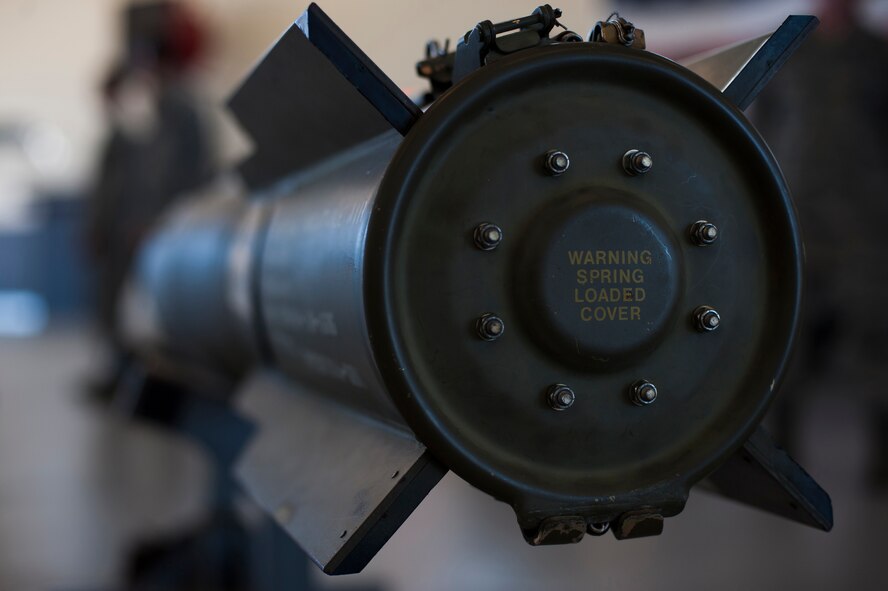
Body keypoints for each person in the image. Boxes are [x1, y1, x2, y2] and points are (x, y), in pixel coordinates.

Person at [753, 0, 888, 487]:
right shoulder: (788, 51)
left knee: (874, 332)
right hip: (800, 215)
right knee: (791, 334)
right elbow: (764, 128)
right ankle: (784, 452)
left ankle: (881, 454)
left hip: (865, 220)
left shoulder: (876, 55)